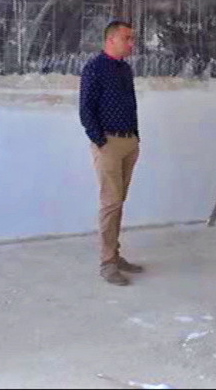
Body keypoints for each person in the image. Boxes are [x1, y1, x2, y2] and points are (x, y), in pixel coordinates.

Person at [79, 20, 144, 286]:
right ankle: (107, 263)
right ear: (111, 40)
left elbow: (131, 105)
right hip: (108, 143)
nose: (132, 43)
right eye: (127, 38)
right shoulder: (94, 68)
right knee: (111, 203)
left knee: (119, 201)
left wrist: (136, 137)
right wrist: (100, 141)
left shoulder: (125, 69)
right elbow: (86, 109)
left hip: (129, 142)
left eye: (132, 38)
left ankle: (115, 255)